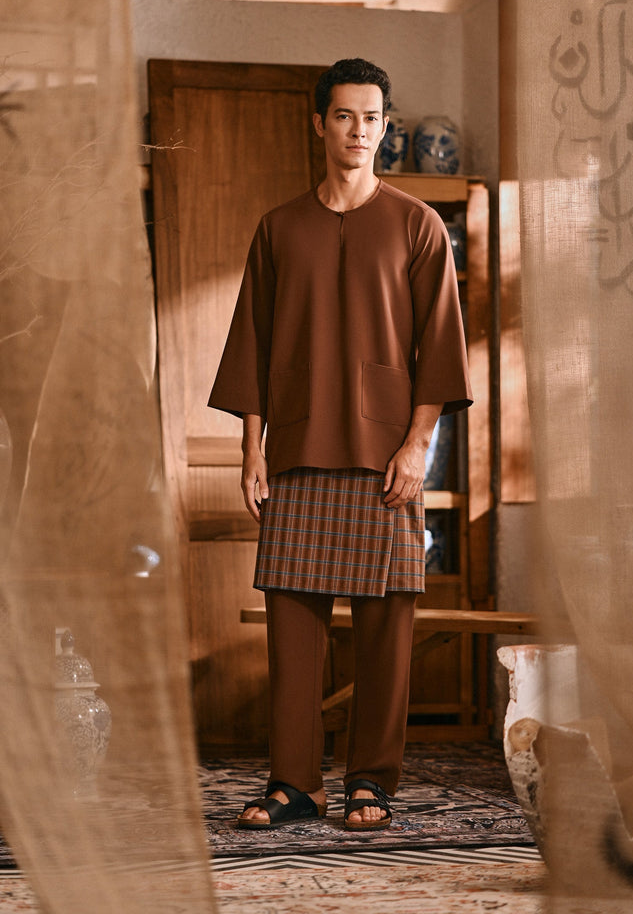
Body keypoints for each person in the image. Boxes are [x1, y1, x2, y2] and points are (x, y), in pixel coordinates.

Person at [208, 57, 472, 831]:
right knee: (292, 624)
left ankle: (370, 781)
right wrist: (251, 449)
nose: (360, 130)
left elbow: (440, 348)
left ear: (385, 127)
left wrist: (417, 445)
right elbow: (252, 346)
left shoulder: (418, 225)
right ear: (320, 122)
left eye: (372, 117)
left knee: (387, 623)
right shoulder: (278, 228)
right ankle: (295, 784)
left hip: (387, 456)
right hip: (294, 449)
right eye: (345, 115)